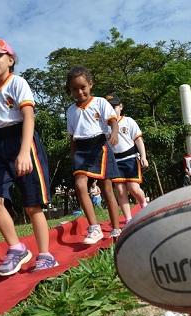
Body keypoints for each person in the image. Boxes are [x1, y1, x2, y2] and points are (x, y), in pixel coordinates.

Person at [0, 38, 57, 275]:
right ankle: (16, 248)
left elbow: (29, 117)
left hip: (23, 141)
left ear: (10, 59)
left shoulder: (18, 83)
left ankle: (45, 255)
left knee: (33, 205)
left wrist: (24, 152)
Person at [65, 66, 121, 243]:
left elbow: (113, 122)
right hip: (81, 149)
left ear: (90, 84)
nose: (79, 92)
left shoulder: (100, 103)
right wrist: (73, 155)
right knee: (80, 185)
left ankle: (116, 228)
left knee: (106, 189)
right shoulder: (70, 111)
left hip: (99, 144)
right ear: (70, 90)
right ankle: (94, 228)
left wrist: (114, 133)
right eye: (74, 89)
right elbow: (72, 136)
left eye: (83, 87)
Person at [105, 93, 149, 224]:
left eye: (115, 106)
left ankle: (145, 205)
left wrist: (144, 157)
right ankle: (128, 219)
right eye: (109, 107)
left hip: (130, 158)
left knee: (133, 188)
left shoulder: (128, 121)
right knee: (119, 190)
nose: (112, 109)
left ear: (121, 107)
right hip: (115, 161)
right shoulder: (104, 125)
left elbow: (138, 139)